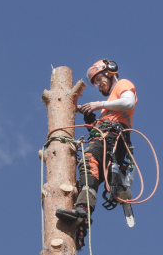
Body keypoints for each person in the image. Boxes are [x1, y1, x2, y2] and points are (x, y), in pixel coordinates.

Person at [55, 60, 137, 228]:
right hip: (107, 137)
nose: (100, 84)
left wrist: (99, 104)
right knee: (89, 175)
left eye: (100, 78)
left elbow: (129, 102)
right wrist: (92, 120)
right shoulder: (108, 107)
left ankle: (83, 209)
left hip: (113, 137)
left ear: (110, 72)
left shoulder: (122, 84)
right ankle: (81, 224)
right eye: (96, 82)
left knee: (88, 160)